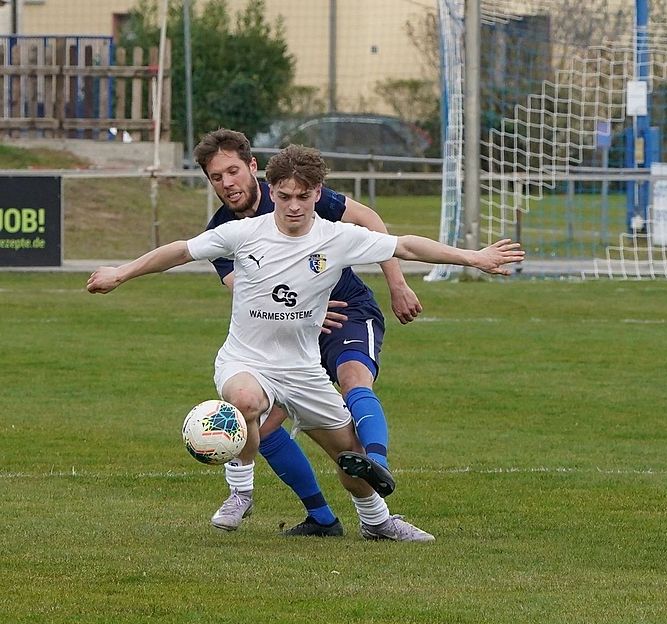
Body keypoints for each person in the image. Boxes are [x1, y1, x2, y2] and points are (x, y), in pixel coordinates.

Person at [87, 144, 525, 543]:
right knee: (245, 400)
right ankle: (241, 494)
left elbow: (406, 245)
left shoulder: (337, 238)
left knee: (350, 459)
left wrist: (474, 257)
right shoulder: (241, 234)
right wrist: (120, 273)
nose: (293, 206)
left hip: (303, 369)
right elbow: (179, 251)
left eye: (303, 196)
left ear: (318, 194)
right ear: (271, 191)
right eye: (284, 196)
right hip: (247, 358)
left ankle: (376, 521)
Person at [194, 128, 414, 535]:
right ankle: (322, 518)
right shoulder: (223, 231)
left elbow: (367, 218)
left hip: (346, 309)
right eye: (215, 177)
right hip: (290, 331)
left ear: (253, 168)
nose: (227, 183)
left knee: (353, 380)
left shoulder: (291, 188)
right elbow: (245, 293)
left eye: (232, 171)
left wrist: (397, 283)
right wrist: (301, 306)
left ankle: (376, 468)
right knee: (261, 427)